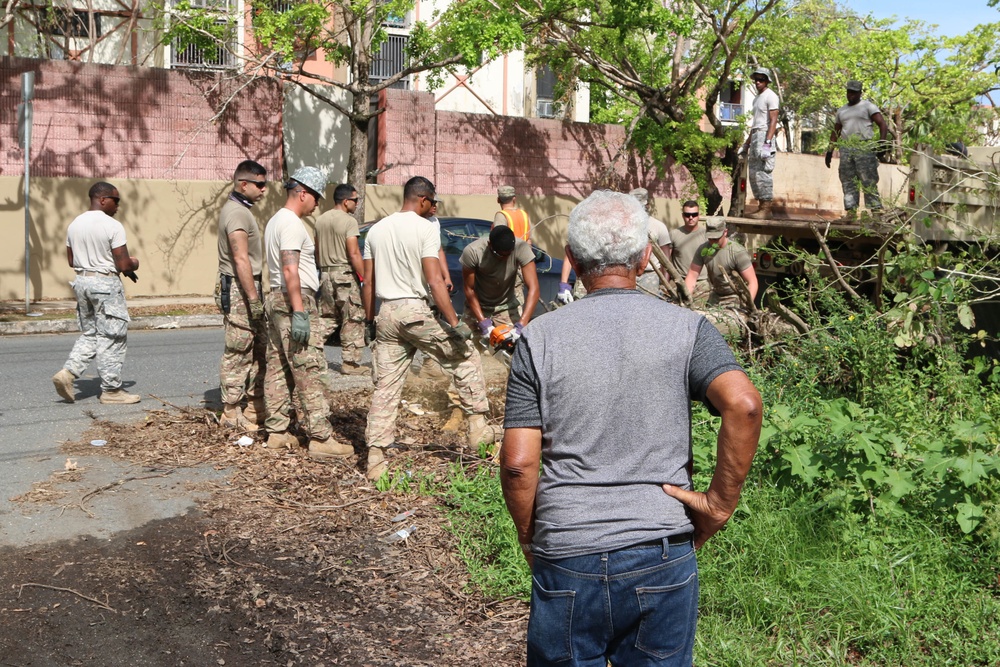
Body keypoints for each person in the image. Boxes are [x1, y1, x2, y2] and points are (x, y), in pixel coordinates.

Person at [500, 190, 762, 666]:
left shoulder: (537, 339)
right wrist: (719, 504)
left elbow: (519, 465)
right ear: (645, 258)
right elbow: (743, 406)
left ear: (574, 261)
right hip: (660, 547)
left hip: (567, 549)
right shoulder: (690, 329)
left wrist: (529, 537)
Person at [362, 176, 500, 480]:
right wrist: (454, 323)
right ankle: (478, 427)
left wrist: (369, 321)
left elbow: (368, 282)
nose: (433, 208)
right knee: (464, 356)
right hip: (413, 310)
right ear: (422, 199)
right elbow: (436, 280)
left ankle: (375, 460)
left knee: (386, 386)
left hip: (386, 313)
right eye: (431, 202)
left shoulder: (376, 230)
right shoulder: (425, 228)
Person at [262, 167, 353, 461]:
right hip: (293, 300)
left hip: (277, 298)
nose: (317, 203)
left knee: (278, 364)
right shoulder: (290, 223)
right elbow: (290, 268)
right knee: (309, 368)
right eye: (315, 197)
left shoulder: (275, 220)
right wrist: (300, 311)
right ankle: (320, 437)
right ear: (302, 193)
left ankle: (276, 431)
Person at [52, 182, 142, 405]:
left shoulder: (74, 224)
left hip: (82, 282)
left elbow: (72, 261)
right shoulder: (112, 225)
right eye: (116, 200)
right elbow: (123, 263)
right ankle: (112, 391)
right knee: (113, 336)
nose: (118, 206)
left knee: (92, 333)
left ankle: (68, 374)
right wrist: (134, 264)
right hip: (105, 285)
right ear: (102, 199)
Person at [216, 160, 269, 429]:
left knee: (258, 348)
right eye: (259, 184)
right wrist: (253, 299)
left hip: (246, 287)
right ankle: (230, 411)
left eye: (265, 184)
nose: (264, 190)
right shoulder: (237, 213)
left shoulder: (242, 210)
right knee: (239, 350)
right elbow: (240, 259)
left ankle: (251, 406)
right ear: (243, 184)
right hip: (239, 288)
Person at [314, 183, 367, 375]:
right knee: (353, 318)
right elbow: (353, 253)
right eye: (355, 200)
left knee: (327, 317)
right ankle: (350, 363)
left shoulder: (320, 220)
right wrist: (365, 277)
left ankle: (310, 352)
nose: (357, 203)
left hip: (326, 274)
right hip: (344, 274)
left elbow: (317, 250)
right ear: (346, 201)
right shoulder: (348, 221)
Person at [460, 225, 540, 341]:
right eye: (500, 254)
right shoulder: (473, 252)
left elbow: (534, 287)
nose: (504, 258)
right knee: (466, 348)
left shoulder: (521, 247)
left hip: (505, 306)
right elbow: (469, 289)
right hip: (478, 306)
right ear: (489, 245)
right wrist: (483, 322)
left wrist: (521, 325)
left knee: (514, 347)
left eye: (508, 254)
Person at [685, 218, 759, 337]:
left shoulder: (736, 252)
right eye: (710, 238)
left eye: (716, 238)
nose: (713, 241)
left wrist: (747, 306)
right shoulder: (703, 250)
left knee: (726, 331)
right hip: (716, 295)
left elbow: (752, 281)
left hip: (735, 297)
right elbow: (692, 277)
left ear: (725, 232)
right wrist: (685, 299)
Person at [825, 80, 889, 217]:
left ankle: (876, 211)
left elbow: (882, 124)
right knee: (848, 179)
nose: (851, 95)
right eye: (849, 92)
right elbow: (835, 132)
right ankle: (851, 211)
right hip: (847, 148)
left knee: (868, 179)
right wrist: (830, 150)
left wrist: (882, 142)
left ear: (860, 93)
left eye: (854, 92)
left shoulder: (867, 106)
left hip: (864, 146)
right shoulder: (842, 111)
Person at [742, 67, 780, 220]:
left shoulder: (771, 96)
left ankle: (767, 208)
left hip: (766, 135)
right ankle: (760, 207)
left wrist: (767, 143)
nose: (758, 82)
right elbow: (755, 124)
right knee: (754, 174)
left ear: (767, 81)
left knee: (764, 172)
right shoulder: (757, 98)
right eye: (756, 79)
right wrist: (746, 143)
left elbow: (773, 120)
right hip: (757, 134)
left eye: (761, 79)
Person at [628, 187, 672, 296]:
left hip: (650, 275)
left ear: (647, 206)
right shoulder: (625, 226)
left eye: (640, 206)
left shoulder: (658, 227)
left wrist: (664, 284)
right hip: (629, 274)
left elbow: (665, 259)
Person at [670, 199, 710, 306]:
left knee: (699, 315)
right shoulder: (674, 234)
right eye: (687, 215)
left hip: (701, 284)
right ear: (683, 215)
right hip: (678, 282)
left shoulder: (707, 236)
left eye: (694, 214)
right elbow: (666, 259)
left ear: (699, 215)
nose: (691, 217)